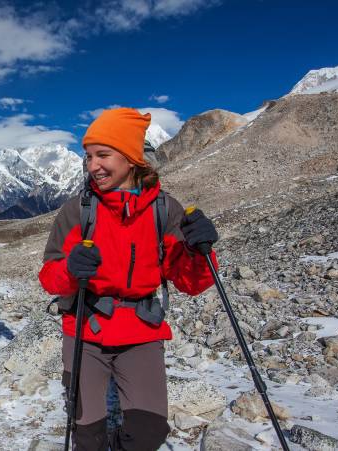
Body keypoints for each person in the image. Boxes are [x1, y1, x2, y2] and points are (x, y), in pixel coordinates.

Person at [39, 108, 220, 450]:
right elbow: (50, 277)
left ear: (132, 158)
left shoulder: (164, 210)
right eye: (89, 156)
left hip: (140, 332)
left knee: (149, 432)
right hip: (85, 328)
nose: (93, 166)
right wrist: (69, 270)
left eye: (103, 155)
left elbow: (191, 282)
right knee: (87, 435)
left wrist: (201, 252)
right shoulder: (78, 210)